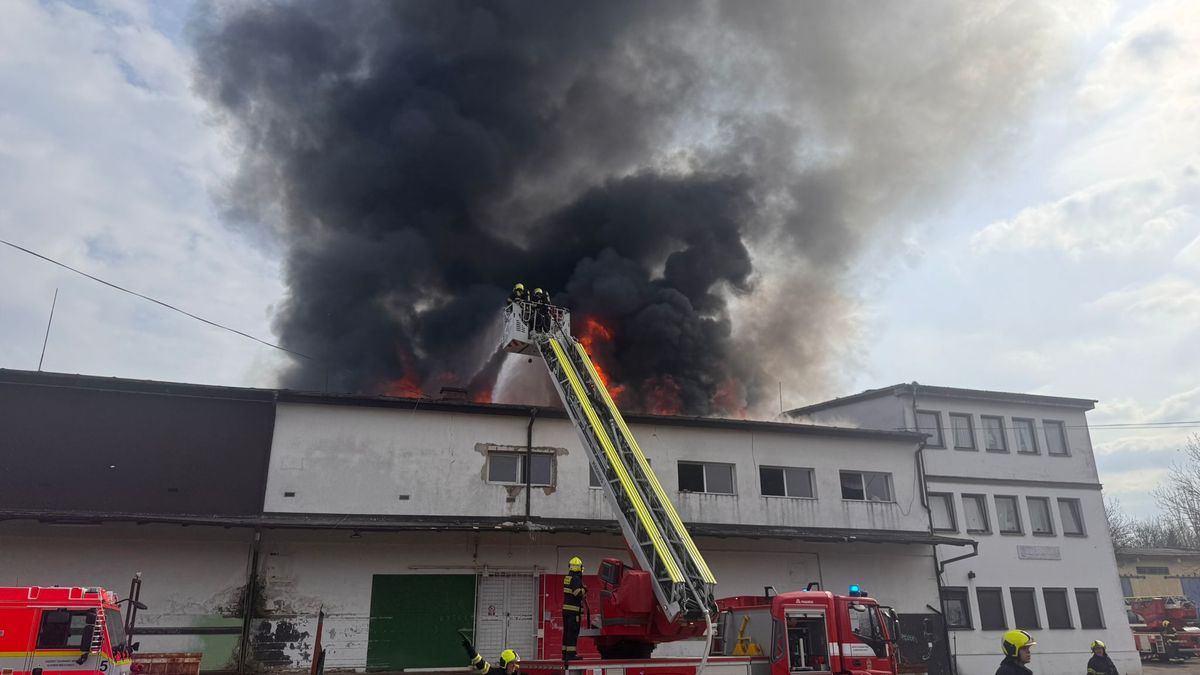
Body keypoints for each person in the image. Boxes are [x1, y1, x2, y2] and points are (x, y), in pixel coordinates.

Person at [562, 556, 586, 663]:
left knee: (567, 632)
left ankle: (565, 654)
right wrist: (584, 589)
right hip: (573, 612)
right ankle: (571, 655)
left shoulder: (568, 577)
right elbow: (577, 593)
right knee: (572, 632)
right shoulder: (576, 579)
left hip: (566, 611)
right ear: (578, 567)